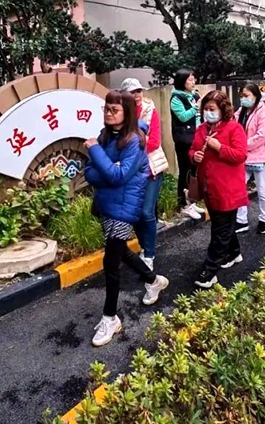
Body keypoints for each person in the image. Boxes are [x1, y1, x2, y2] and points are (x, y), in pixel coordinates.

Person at [84, 90, 169, 347]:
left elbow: (117, 177)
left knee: (110, 263)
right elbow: (91, 172)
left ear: (128, 112)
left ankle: (111, 318)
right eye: (106, 109)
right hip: (107, 204)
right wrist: (105, 168)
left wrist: (96, 152)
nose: (108, 114)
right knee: (120, 252)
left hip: (124, 208)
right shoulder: (106, 135)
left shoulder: (135, 141)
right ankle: (153, 280)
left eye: (114, 110)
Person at [190, 90, 248, 289]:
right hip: (208, 187)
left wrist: (218, 147)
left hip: (227, 188)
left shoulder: (234, 129)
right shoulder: (201, 129)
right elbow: (192, 149)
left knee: (220, 229)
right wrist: (194, 156)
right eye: (205, 109)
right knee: (221, 224)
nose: (208, 113)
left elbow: (240, 155)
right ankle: (233, 252)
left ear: (223, 109)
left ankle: (210, 269)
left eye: (211, 109)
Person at [121, 78, 168, 270]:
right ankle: (144, 245)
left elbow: (154, 142)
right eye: (132, 92)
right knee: (136, 213)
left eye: (139, 91)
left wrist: (129, 147)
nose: (137, 95)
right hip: (130, 172)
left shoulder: (150, 112)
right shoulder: (120, 114)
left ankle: (149, 253)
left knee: (147, 212)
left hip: (150, 169)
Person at [235, 83, 265, 234]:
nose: (243, 99)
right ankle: (241, 220)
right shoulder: (242, 111)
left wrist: (242, 146)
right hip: (244, 156)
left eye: (246, 96)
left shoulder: (264, 112)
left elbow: (262, 136)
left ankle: (264, 219)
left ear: (256, 96)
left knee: (262, 189)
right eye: (242, 96)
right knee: (239, 187)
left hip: (262, 156)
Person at [170, 68, 205, 221]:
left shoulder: (193, 95)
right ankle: (183, 204)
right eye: (190, 79)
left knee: (193, 171)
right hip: (184, 140)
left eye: (194, 79)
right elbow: (183, 117)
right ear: (182, 81)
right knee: (184, 170)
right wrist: (196, 106)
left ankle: (191, 200)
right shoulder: (176, 98)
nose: (194, 82)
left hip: (196, 138)